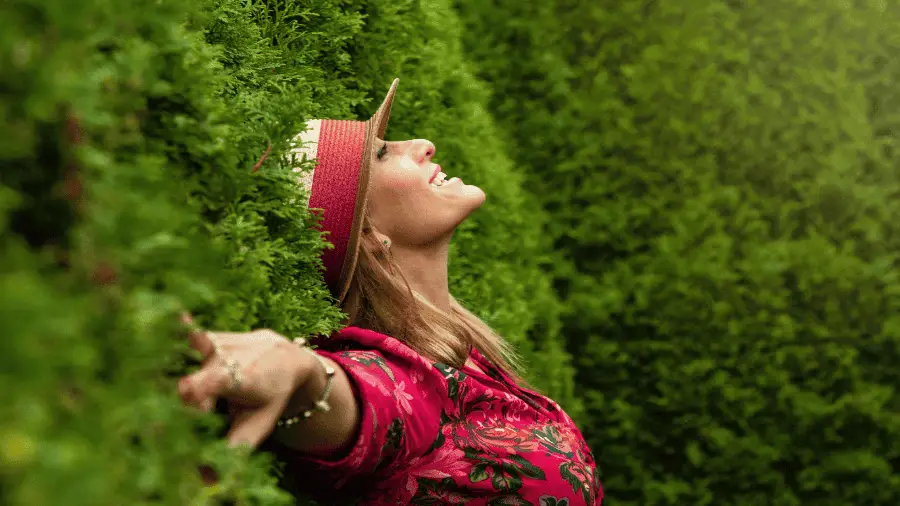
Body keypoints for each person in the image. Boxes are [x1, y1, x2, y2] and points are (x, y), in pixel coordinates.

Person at [176, 78, 603, 505]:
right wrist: (301, 372)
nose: (424, 143)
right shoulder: (397, 379)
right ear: (368, 234)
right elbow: (362, 401)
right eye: (383, 152)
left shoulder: (463, 351)